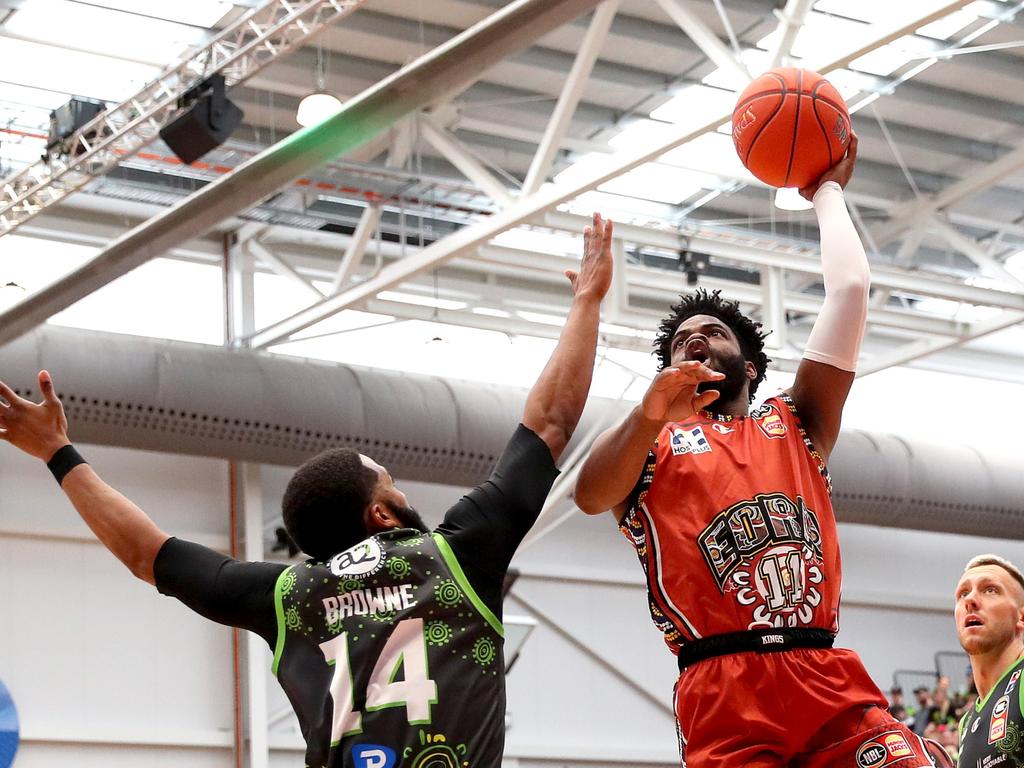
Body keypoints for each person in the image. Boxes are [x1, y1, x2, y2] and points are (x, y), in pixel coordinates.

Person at [0, 213, 614, 768]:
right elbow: (551, 422)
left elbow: (146, 552)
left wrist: (57, 453)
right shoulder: (455, 556)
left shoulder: (287, 596)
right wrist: (587, 302)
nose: (402, 492)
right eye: (391, 483)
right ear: (380, 512)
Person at [574, 138, 949, 768]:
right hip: (721, 684)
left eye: (711, 334)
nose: (694, 342)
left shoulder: (796, 421)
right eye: (681, 344)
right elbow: (589, 496)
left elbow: (850, 292)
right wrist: (648, 413)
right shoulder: (649, 442)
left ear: (747, 365)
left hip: (823, 671)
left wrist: (825, 191)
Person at [954, 555, 1024, 767]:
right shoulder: (966, 723)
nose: (970, 600)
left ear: (1021, 617)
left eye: (990, 590)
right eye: (963, 593)